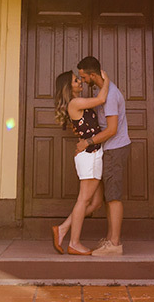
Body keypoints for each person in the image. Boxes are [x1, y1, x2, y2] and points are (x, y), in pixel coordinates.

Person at [51, 67, 110, 256]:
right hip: (90, 156)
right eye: (76, 80)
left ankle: (62, 228)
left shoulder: (78, 103)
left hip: (93, 153)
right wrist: (106, 80)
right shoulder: (75, 103)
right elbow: (101, 99)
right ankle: (74, 243)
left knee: (96, 203)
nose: (80, 82)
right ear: (70, 87)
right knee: (84, 200)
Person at [76, 55, 129, 256]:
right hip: (109, 149)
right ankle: (110, 240)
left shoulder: (111, 95)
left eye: (83, 76)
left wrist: (87, 142)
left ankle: (114, 244)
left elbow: (112, 129)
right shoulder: (104, 90)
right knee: (108, 197)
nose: (82, 80)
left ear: (92, 75)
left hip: (115, 148)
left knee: (114, 197)